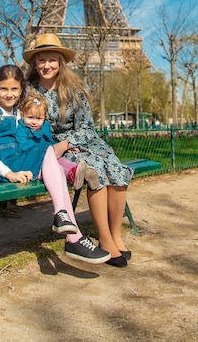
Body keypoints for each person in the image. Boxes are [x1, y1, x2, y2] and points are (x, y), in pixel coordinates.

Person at [0, 64, 110, 265]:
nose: (9, 94)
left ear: (22, 89)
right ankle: (67, 220)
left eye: (14, 89)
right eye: (4, 89)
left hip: (17, 159)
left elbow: (28, 139)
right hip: (3, 168)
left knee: (48, 151)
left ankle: (71, 231)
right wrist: (9, 173)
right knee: (47, 153)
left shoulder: (16, 112)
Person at [24, 34, 134, 268]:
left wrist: (66, 143)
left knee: (117, 170)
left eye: (52, 60)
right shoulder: (28, 91)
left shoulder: (72, 89)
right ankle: (104, 239)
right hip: (53, 150)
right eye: (41, 60)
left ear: (60, 62)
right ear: (34, 63)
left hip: (80, 142)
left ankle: (115, 235)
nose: (46, 65)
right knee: (96, 171)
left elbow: (87, 127)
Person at [17, 93, 99, 191]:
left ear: (45, 117)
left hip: (45, 159)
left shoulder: (44, 127)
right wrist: (45, 150)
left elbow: (49, 142)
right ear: (22, 115)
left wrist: (64, 148)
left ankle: (79, 171)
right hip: (33, 164)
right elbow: (23, 147)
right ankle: (73, 175)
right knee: (54, 166)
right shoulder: (22, 129)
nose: (34, 122)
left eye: (39, 119)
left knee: (60, 160)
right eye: (30, 117)